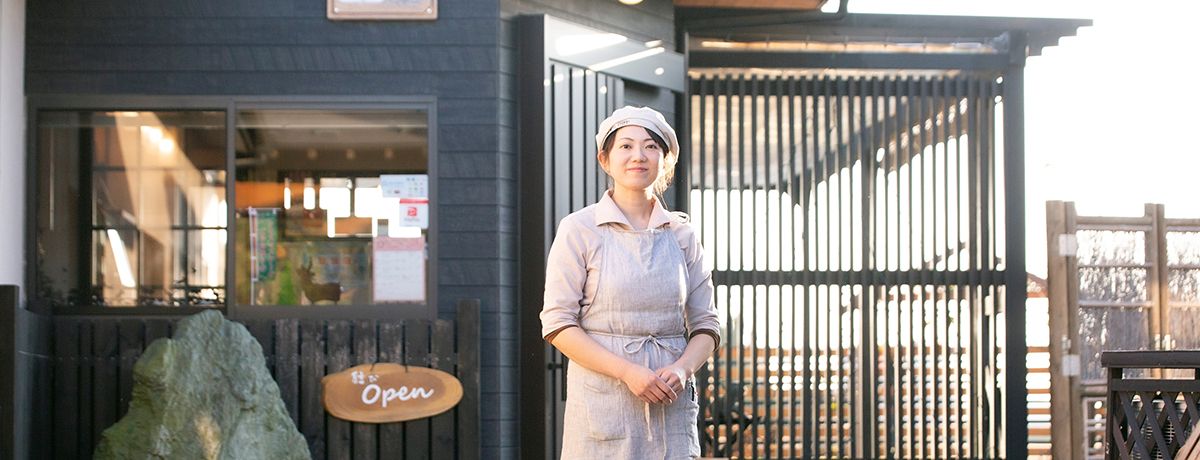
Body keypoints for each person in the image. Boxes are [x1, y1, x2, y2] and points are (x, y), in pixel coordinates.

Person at [540, 106, 721, 459]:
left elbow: (707, 324)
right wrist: (627, 372)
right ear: (604, 159)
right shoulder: (579, 229)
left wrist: (682, 369)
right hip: (602, 403)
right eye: (626, 146)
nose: (638, 155)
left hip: (671, 403)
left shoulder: (683, 234)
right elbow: (557, 323)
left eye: (651, 146)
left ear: (665, 161)